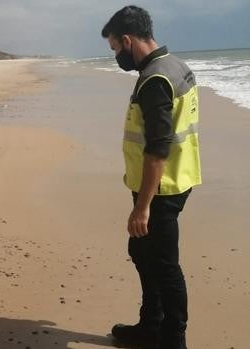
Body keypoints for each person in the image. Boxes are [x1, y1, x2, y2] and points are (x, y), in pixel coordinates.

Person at [101, 6, 201, 349]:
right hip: (179, 178)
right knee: (142, 251)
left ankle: (173, 339)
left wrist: (142, 207)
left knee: (163, 264)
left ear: (128, 40)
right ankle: (150, 325)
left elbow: (158, 149)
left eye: (115, 48)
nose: (117, 55)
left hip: (161, 187)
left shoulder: (155, 79)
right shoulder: (177, 66)